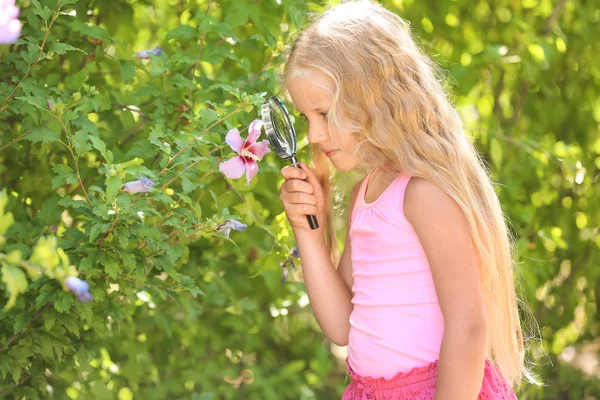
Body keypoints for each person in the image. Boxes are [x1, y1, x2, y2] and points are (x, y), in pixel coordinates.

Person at [277, 1, 538, 399]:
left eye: (324, 114)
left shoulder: (424, 193)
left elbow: (468, 326)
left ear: (375, 97)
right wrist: (307, 230)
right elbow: (341, 325)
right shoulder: (368, 194)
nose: (313, 135)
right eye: (306, 118)